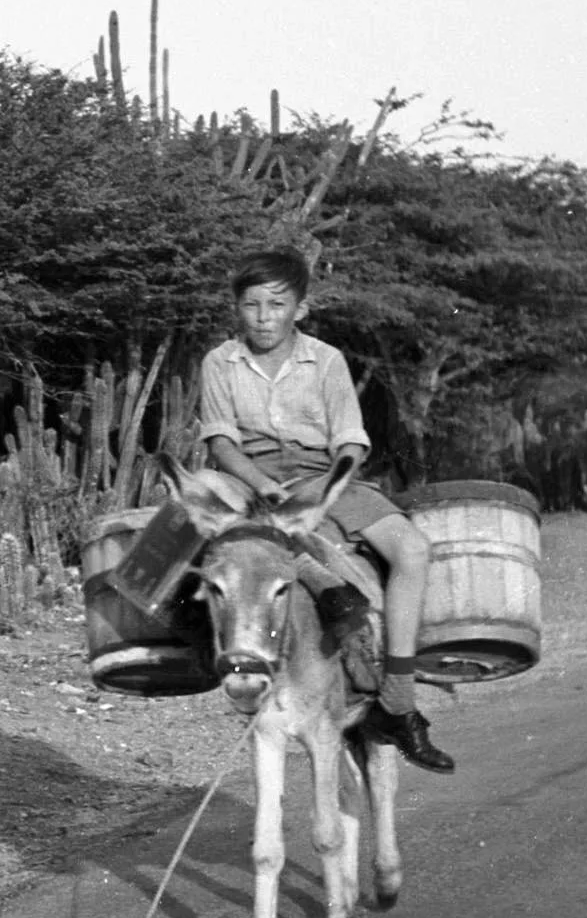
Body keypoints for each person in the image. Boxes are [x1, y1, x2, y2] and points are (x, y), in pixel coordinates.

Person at [195, 248, 457, 773]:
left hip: (321, 476)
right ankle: (181, 648)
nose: (264, 317)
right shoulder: (219, 362)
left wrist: (328, 488)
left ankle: (400, 701)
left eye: (276, 305)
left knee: (411, 548)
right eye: (251, 306)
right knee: (196, 514)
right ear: (237, 309)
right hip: (247, 476)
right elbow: (222, 444)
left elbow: (351, 442)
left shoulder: (327, 359)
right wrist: (264, 484)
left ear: (301, 308)